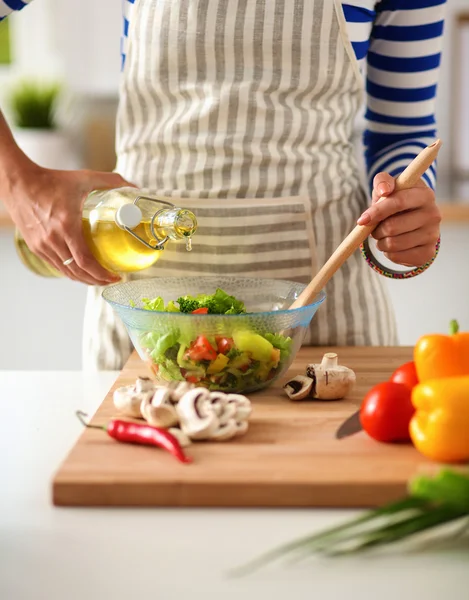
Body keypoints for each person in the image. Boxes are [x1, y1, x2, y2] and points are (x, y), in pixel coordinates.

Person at [0, 0, 445, 370]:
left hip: (328, 313)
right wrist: (17, 183)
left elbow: (402, 129)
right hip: (144, 323)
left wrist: (407, 201)